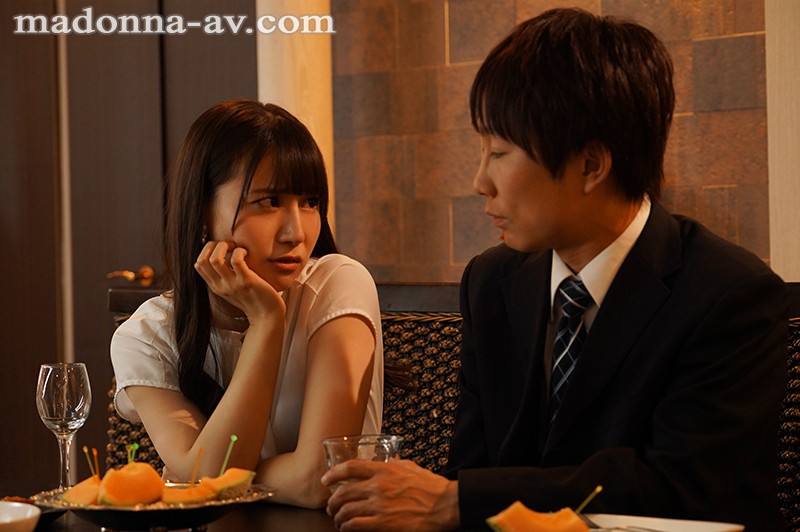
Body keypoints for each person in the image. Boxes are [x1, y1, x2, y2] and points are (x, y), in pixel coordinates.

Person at [322, 8, 789, 531]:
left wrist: (461, 501)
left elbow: (677, 488)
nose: (480, 182)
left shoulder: (727, 294)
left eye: (500, 152)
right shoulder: (492, 283)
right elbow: (471, 468)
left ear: (591, 165)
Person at [110, 100, 383, 508]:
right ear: (202, 212)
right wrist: (266, 322)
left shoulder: (337, 283)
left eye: (309, 202)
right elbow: (213, 485)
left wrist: (203, 475)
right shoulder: (147, 336)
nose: (296, 232)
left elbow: (316, 481)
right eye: (269, 202)